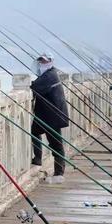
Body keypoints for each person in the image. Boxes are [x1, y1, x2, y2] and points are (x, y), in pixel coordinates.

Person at [30, 53, 69, 184]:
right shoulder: (49, 74)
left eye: (45, 61)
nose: (42, 63)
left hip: (52, 117)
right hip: (45, 115)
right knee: (34, 131)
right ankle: (38, 158)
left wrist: (32, 83)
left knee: (56, 145)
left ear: (51, 62)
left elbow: (35, 86)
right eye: (40, 61)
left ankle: (59, 173)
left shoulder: (50, 75)